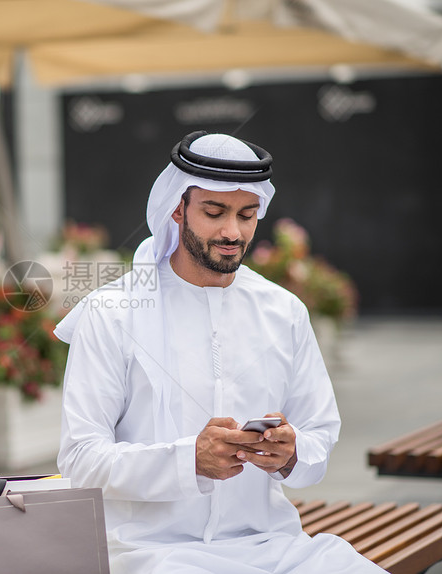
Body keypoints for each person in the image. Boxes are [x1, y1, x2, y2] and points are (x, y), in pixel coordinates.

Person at [53, 131, 385, 573]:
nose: (233, 231)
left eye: (247, 215)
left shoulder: (283, 311)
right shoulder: (113, 313)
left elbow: (319, 439)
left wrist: (290, 455)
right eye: (214, 212)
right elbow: (81, 459)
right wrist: (187, 459)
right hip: (150, 552)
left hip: (270, 545)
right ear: (177, 209)